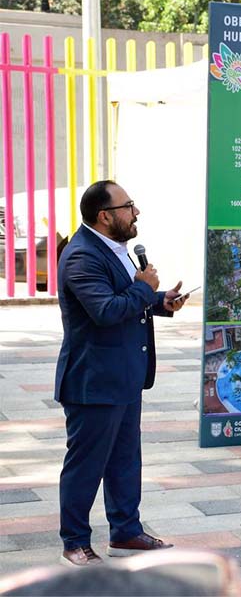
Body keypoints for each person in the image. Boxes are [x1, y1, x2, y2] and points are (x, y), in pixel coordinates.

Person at [55, 180, 186, 566]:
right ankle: (74, 542)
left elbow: (123, 296)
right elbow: (106, 310)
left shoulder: (114, 248)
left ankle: (126, 532)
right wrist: (145, 290)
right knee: (86, 465)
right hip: (94, 381)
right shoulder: (81, 256)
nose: (136, 212)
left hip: (125, 376)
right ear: (105, 216)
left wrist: (160, 301)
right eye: (128, 206)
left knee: (125, 460)